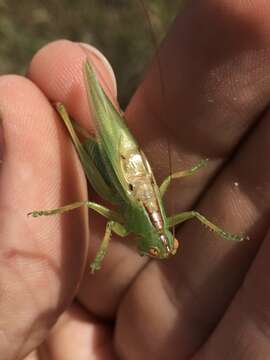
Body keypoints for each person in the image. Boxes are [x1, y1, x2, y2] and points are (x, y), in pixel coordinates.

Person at [1, 1, 269, 358]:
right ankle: (68, 113)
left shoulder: (158, 228)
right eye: (164, 245)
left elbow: (159, 194)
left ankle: (73, 110)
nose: (160, 248)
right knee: (77, 140)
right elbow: (152, 192)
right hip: (122, 173)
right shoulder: (150, 226)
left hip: (123, 174)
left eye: (162, 247)